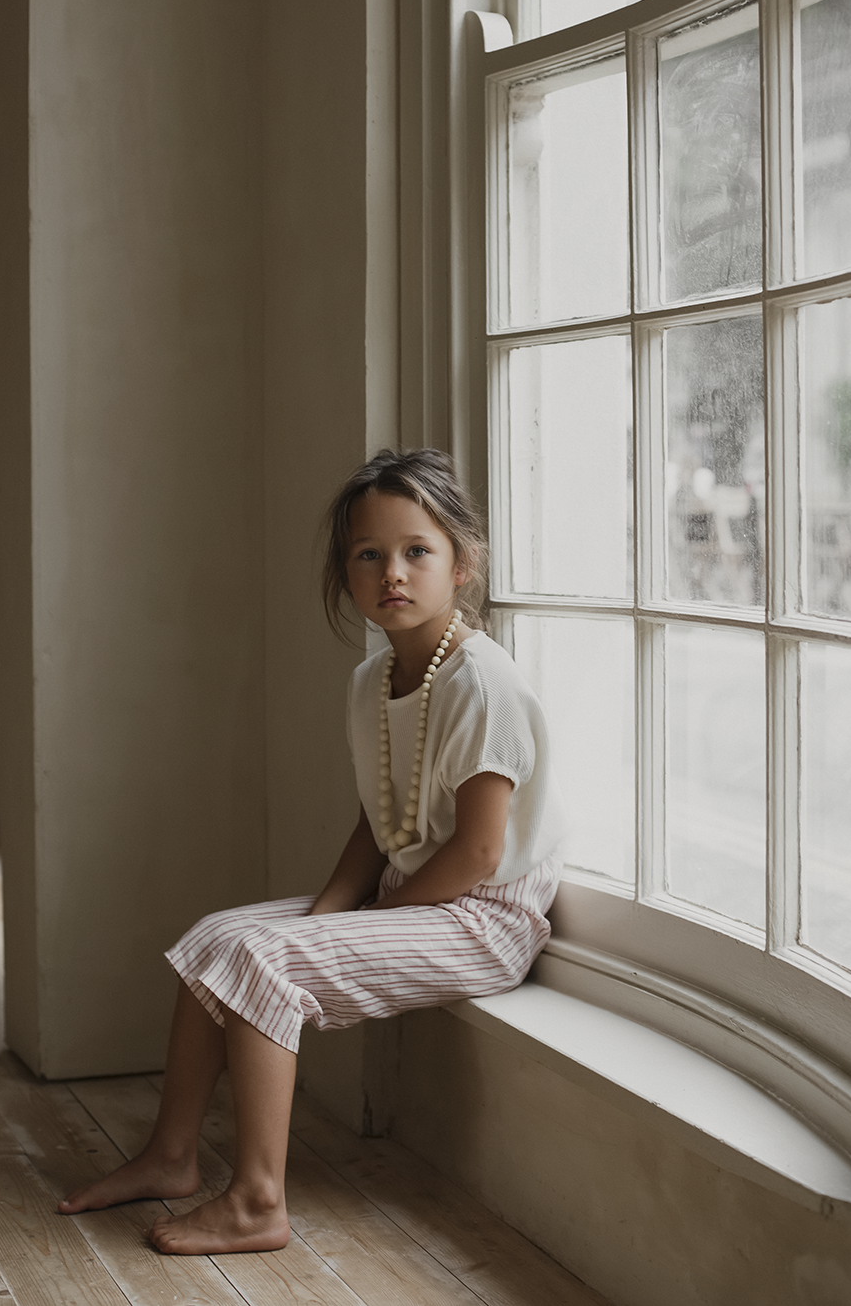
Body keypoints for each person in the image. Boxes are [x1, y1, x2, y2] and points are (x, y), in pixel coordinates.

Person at [56, 448, 567, 1256]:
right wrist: (329, 913)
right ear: (345, 573)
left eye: (416, 552)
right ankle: (170, 1156)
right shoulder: (375, 681)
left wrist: (365, 920)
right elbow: (379, 819)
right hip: (413, 892)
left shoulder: (482, 682)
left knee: (262, 963)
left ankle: (260, 1201)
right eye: (368, 556)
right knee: (214, 942)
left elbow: (476, 851)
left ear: (463, 565)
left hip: (483, 917)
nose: (391, 573)